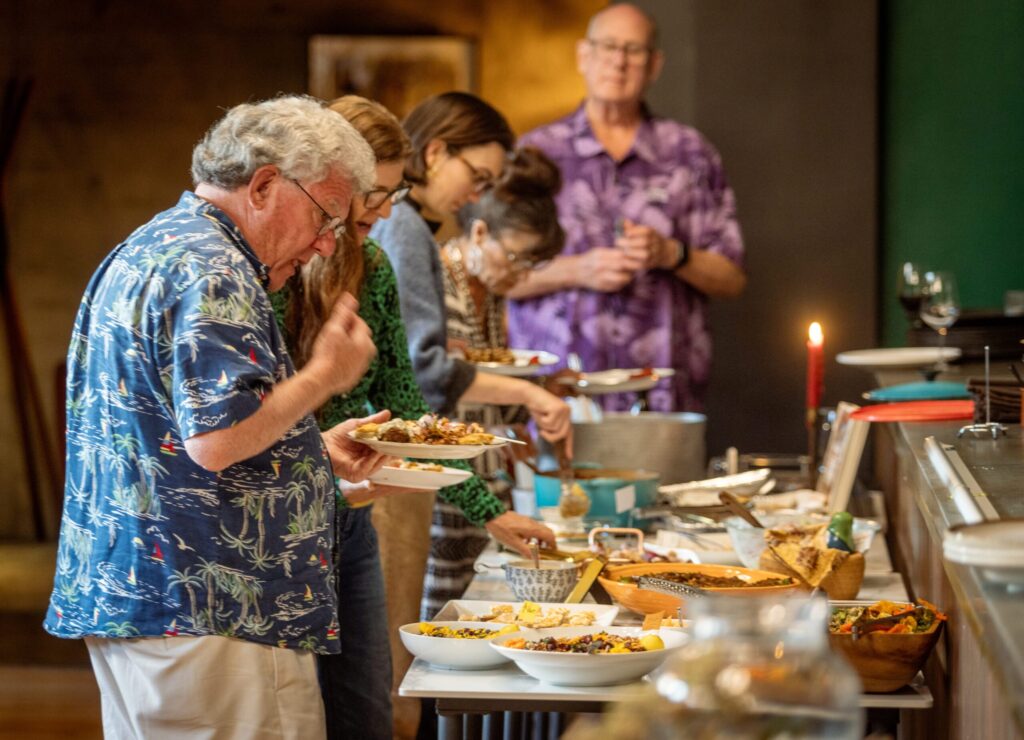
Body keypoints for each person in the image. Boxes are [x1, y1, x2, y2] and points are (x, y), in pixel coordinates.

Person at [43, 95, 389, 739]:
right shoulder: (217, 269)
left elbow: (171, 430)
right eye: (325, 218)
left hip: (148, 598)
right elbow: (217, 438)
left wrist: (309, 450)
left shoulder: (152, 244)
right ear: (263, 185)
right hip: (215, 609)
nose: (321, 246)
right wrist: (324, 377)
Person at [276, 95, 552, 740]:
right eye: (373, 195)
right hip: (289, 517)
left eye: (392, 196)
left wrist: (491, 511)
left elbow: (409, 401)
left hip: (353, 513)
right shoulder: (273, 271)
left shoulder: (371, 262)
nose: (384, 211)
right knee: (296, 713)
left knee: (373, 704)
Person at [369, 91, 568, 737]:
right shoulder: (401, 226)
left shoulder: (409, 229)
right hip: (391, 470)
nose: (473, 195)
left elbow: (411, 363)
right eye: (475, 178)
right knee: (398, 672)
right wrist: (529, 397)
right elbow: (420, 376)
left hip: (403, 463)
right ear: (435, 152)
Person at [507, 2, 748, 413]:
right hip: (555, 398)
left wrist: (672, 253)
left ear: (654, 65)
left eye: (633, 51)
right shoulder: (536, 153)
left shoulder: (689, 153)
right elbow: (497, 276)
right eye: (608, 47)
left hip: (661, 400)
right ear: (584, 55)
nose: (619, 62)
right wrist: (579, 269)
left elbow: (731, 280)